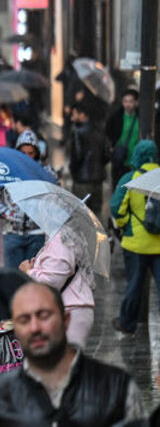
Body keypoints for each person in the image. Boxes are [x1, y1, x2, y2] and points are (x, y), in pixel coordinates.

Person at [0, 283, 144, 426]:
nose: (35, 328)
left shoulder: (117, 388)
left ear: (66, 320)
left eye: (44, 316)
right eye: (24, 320)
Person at [110, 140, 160, 335]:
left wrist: (125, 225)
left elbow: (116, 208)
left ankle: (127, 322)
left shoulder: (130, 179)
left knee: (134, 285)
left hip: (136, 244)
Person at [19, 231, 95, 348]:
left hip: (71, 309)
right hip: (69, 307)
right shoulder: (63, 236)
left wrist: (28, 272)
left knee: (66, 362)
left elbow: (51, 284)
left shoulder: (60, 239)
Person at [0, 130, 47, 269]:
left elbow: (55, 199)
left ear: (36, 153)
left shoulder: (45, 172)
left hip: (37, 234)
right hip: (12, 233)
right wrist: (8, 214)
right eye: (23, 153)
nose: (26, 157)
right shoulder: (7, 171)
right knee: (11, 280)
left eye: (30, 153)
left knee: (33, 281)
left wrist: (40, 214)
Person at [69, 102, 107, 219]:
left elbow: (77, 156)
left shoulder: (77, 132)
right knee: (96, 214)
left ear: (82, 115)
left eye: (74, 114)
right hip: (97, 181)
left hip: (81, 181)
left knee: (82, 216)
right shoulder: (100, 130)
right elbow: (106, 155)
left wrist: (73, 171)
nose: (72, 118)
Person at [108, 89, 140, 188]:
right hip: (120, 160)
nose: (128, 104)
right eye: (125, 101)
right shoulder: (116, 116)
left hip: (134, 161)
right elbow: (109, 133)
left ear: (136, 102)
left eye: (130, 101)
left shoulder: (140, 117)